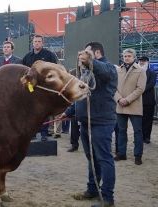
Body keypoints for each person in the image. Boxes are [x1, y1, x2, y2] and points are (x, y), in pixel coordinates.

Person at [62, 42, 117, 207]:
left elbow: (105, 72)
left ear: (97, 52)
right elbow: (81, 93)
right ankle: (92, 190)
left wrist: (90, 61)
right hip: (85, 121)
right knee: (91, 158)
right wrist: (69, 111)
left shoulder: (109, 68)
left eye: (87, 53)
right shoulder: (86, 72)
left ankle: (107, 198)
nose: (82, 56)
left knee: (104, 158)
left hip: (101, 121)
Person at [22, 35, 58, 141]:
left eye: (39, 41)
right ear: (32, 43)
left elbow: (54, 70)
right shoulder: (27, 56)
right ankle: (32, 133)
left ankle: (43, 133)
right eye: (35, 41)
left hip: (44, 88)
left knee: (43, 111)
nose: (37, 43)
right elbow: (24, 72)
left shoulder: (49, 55)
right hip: (31, 87)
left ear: (42, 43)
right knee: (31, 111)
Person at [114, 48, 146, 165]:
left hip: (134, 106)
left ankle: (138, 155)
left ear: (134, 57)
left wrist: (127, 100)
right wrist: (119, 98)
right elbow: (114, 87)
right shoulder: (119, 70)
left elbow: (140, 88)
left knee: (137, 131)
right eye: (125, 56)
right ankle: (121, 153)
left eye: (129, 56)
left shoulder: (140, 70)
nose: (126, 58)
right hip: (120, 105)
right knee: (121, 131)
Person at [138, 56, 157, 144]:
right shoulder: (136, 72)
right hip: (138, 101)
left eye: (143, 61)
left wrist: (139, 90)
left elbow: (151, 84)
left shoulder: (152, 73)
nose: (141, 62)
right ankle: (139, 137)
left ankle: (146, 137)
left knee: (148, 120)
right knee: (138, 121)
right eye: (140, 60)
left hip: (148, 101)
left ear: (147, 62)